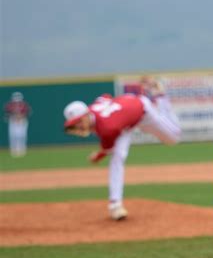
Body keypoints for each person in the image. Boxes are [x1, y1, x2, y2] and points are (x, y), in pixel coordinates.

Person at [63, 92, 181, 220]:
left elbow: (106, 149)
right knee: (117, 158)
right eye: (74, 123)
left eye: (79, 121)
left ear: (86, 115)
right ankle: (115, 205)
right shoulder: (94, 111)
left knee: (173, 139)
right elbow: (105, 96)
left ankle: (161, 99)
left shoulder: (107, 128)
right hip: (123, 122)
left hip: (142, 109)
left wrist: (97, 156)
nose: (78, 126)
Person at [4, 92, 31, 157]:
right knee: (13, 136)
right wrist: (13, 116)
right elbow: (7, 113)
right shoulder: (9, 105)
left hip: (22, 121)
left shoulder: (24, 104)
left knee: (22, 135)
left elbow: (28, 112)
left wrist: (21, 116)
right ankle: (13, 150)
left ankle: (22, 149)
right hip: (13, 121)